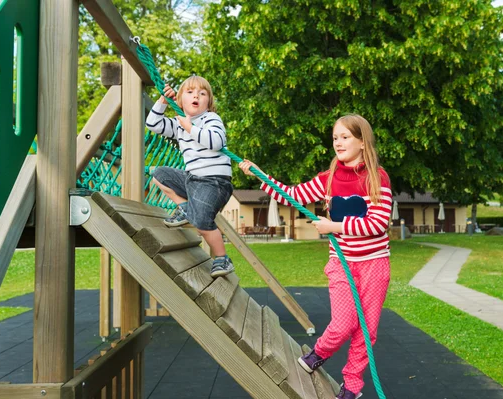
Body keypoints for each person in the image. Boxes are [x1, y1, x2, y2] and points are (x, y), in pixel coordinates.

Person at [239, 114, 392, 399]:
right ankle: (320, 352)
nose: (338, 142)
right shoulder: (329, 178)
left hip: (374, 264)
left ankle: (352, 387)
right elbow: (292, 196)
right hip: (343, 264)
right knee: (345, 323)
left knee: (366, 333)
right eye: (335, 137)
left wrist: (332, 226)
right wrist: (261, 175)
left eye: (345, 137)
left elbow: (377, 224)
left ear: (362, 141)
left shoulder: (376, 177)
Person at [146, 75, 234, 278]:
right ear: (179, 101)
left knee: (202, 220)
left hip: (215, 182)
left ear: (208, 103)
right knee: (159, 174)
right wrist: (161, 101)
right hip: (192, 180)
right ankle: (184, 208)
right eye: (190, 92)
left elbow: (216, 142)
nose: (197, 95)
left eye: (202, 94)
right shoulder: (178, 123)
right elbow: (153, 124)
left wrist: (189, 127)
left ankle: (222, 258)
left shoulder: (211, 119)